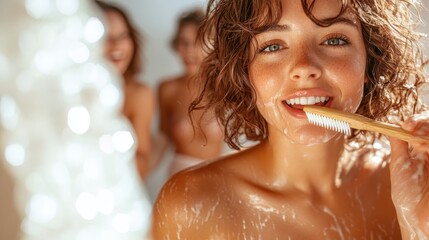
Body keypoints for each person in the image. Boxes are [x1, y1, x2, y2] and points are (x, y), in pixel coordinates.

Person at [153, 0, 429, 239]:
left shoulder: (416, 185)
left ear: (370, 59)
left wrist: (416, 227)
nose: (303, 67)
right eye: (272, 46)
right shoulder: (189, 204)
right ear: (245, 71)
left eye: (334, 40)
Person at [157, 8, 225, 176]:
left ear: (211, 45)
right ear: (176, 45)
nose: (190, 50)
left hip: (217, 178)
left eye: (197, 42)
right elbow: (161, 141)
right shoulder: (167, 89)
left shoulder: (225, 88)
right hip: (178, 178)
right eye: (184, 42)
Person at [96, 1, 155, 181]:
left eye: (123, 35)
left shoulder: (139, 95)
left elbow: (141, 165)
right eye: (106, 37)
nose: (117, 45)